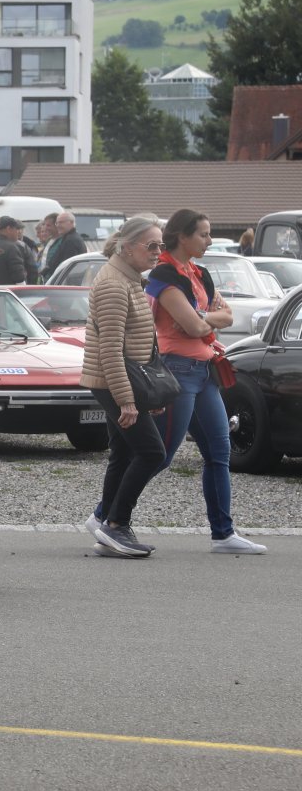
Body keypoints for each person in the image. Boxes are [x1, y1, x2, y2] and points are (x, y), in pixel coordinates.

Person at [145, 209, 266, 554]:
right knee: (160, 454)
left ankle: (223, 534)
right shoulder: (164, 275)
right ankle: (108, 516)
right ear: (182, 236)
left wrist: (202, 316)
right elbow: (194, 326)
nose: (210, 241)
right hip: (179, 370)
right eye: (203, 234)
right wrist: (205, 319)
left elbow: (225, 315)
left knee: (219, 451)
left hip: (203, 370)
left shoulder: (198, 273)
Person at [80, 214, 167, 558]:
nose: (158, 251)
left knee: (125, 453)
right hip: (114, 382)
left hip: (121, 381)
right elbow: (110, 350)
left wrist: (145, 395)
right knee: (152, 453)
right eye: (151, 245)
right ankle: (116, 525)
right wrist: (127, 400)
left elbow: (134, 343)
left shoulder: (128, 279)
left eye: (160, 245)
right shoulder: (115, 285)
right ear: (128, 247)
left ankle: (107, 524)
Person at [0, 216, 39, 285]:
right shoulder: (17, 247)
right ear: (8, 229)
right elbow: (24, 274)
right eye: (16, 229)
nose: (18, 232)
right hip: (10, 290)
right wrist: (29, 287)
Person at [42, 210, 87, 281]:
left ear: (71, 223)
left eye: (61, 222)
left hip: (68, 282)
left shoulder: (71, 241)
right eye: (57, 223)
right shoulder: (67, 238)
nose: (58, 225)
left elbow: (67, 266)